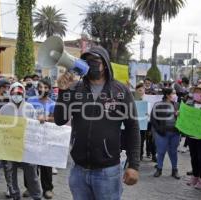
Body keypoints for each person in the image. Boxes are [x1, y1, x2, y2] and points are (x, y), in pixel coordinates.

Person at [54, 46, 140, 200]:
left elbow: (132, 128)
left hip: (108, 171)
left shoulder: (120, 91)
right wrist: (63, 92)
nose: (90, 64)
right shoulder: (75, 89)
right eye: (86, 60)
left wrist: (133, 165)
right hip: (78, 171)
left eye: (94, 60)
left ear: (105, 63)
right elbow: (60, 120)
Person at [0, 82, 42, 200]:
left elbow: (35, 127)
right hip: (9, 148)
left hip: (27, 148)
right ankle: (15, 196)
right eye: (13, 93)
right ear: (10, 94)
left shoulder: (29, 108)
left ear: (23, 94)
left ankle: (37, 196)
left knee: (32, 174)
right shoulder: (4, 108)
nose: (16, 95)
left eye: (19, 93)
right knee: (10, 174)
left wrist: (40, 121)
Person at [27, 78, 55, 199]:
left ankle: (47, 189)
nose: (42, 89)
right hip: (31, 136)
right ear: (37, 88)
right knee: (30, 165)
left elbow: (57, 119)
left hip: (46, 137)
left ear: (49, 89)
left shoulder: (53, 103)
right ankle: (30, 187)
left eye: (45, 87)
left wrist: (47, 119)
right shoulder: (30, 100)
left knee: (46, 164)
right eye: (40, 87)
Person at [150, 88, 180, 179]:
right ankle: (159, 169)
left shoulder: (177, 105)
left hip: (175, 133)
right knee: (161, 151)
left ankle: (174, 170)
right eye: (173, 93)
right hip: (162, 133)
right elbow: (153, 119)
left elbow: (183, 120)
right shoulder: (158, 105)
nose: (175, 95)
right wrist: (159, 130)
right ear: (167, 95)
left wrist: (178, 115)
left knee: (173, 152)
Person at [186, 83, 201, 190]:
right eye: (195, 92)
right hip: (191, 136)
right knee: (193, 157)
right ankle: (195, 176)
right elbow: (185, 117)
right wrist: (179, 114)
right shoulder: (189, 103)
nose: (196, 94)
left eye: (199, 92)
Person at [134, 83, 147, 161]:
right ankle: (133, 155)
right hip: (134, 124)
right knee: (133, 140)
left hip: (143, 124)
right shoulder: (132, 99)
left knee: (142, 140)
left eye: (142, 90)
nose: (141, 91)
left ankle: (140, 154)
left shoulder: (147, 100)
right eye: (139, 90)